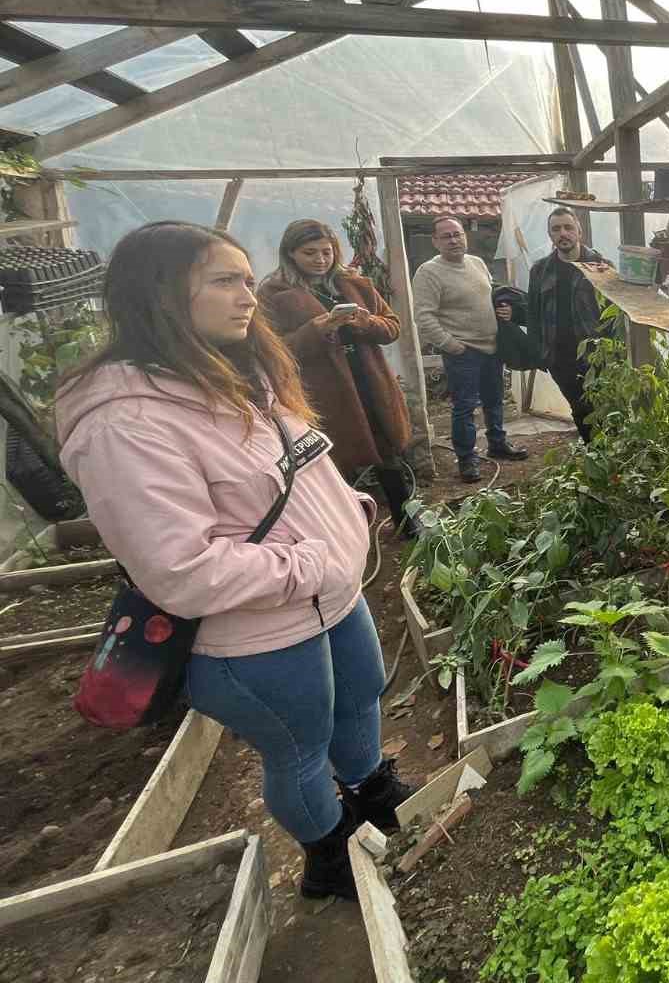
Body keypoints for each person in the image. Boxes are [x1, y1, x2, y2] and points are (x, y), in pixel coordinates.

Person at [55, 221, 415, 902]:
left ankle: (371, 789)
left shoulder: (238, 376)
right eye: (223, 281)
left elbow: (298, 468)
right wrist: (311, 562)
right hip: (255, 635)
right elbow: (179, 570)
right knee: (300, 747)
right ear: (159, 294)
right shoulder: (125, 422)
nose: (246, 296)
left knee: (360, 695)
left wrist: (351, 515)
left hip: (331, 595)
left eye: (248, 279)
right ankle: (330, 852)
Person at [258, 220, 416, 538]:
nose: (320, 259)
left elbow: (392, 326)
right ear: (289, 254)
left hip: (369, 380)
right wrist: (316, 330)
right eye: (309, 253)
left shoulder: (354, 283)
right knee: (334, 460)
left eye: (326, 251)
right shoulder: (274, 294)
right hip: (325, 391)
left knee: (388, 451)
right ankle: (347, 529)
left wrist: (364, 321)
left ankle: (406, 520)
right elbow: (272, 350)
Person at [412, 215, 527, 482]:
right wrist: (452, 345)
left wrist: (506, 310)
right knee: (464, 406)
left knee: (494, 399)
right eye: (446, 236)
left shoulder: (476, 263)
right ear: (435, 242)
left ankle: (497, 444)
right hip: (463, 352)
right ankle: (467, 459)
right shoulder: (429, 272)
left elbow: (489, 296)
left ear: (465, 236)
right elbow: (424, 316)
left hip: (491, 346)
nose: (454, 240)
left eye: (457, 234)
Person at [496, 207, 609, 442]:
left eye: (568, 227)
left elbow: (612, 314)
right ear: (550, 235)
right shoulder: (540, 270)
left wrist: (615, 352)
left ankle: (612, 457)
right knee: (579, 409)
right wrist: (539, 351)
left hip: (595, 355)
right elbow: (535, 312)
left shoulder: (600, 266)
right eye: (556, 229)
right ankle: (595, 455)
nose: (563, 233)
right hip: (560, 357)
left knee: (606, 408)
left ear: (579, 230)